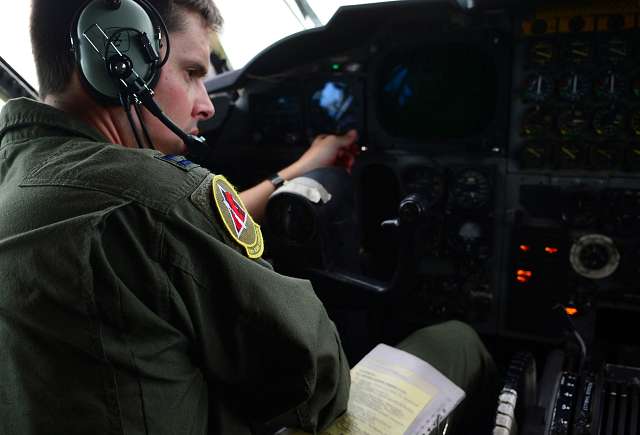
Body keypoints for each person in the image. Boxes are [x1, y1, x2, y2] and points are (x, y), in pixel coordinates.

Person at [0, 0, 497, 434]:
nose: (206, 105)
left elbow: (176, 225)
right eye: (193, 72)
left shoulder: (22, 177)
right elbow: (318, 379)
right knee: (457, 340)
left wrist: (297, 171)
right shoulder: (154, 198)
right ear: (121, 63)